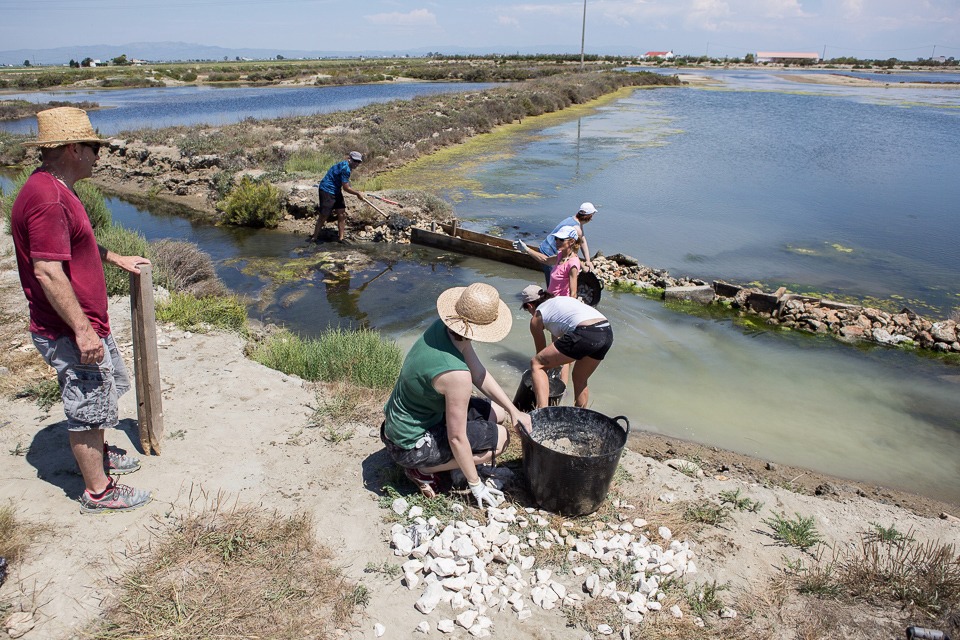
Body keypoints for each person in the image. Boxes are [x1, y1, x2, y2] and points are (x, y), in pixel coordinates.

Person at [11, 106, 153, 514]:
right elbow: (47, 271)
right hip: (70, 329)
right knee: (87, 406)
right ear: (74, 148)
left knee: (102, 393)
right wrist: (82, 330)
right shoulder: (49, 199)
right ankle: (99, 491)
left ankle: (101, 455)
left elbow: (72, 245)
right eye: (94, 148)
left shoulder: (52, 187)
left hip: (83, 323)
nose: (98, 156)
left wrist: (112, 257)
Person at [381, 283, 532, 506]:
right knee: (500, 440)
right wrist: (475, 484)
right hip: (408, 446)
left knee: (498, 412)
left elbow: (479, 373)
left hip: (401, 425)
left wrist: (513, 410)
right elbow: (456, 437)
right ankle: (422, 469)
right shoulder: (456, 375)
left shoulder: (444, 329)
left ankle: (437, 462)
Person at [520, 284, 613, 410]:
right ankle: (580, 418)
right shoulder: (561, 301)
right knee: (580, 378)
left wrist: (542, 380)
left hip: (585, 331)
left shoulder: (537, 317)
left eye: (527, 310)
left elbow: (541, 356)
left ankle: (542, 414)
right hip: (606, 331)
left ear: (530, 305)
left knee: (536, 364)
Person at [524, 202, 598, 286]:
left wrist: (587, 260)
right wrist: (582, 267)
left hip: (545, 246)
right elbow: (571, 254)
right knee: (553, 282)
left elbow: (582, 240)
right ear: (589, 217)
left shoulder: (573, 219)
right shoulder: (576, 228)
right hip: (549, 251)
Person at [311, 151, 364, 244]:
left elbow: (345, 182)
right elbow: (346, 188)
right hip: (326, 190)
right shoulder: (345, 168)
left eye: (358, 162)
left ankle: (341, 238)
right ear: (349, 159)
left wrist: (356, 191)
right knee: (324, 215)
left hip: (336, 190)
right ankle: (314, 238)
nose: (356, 164)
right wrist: (357, 194)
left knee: (342, 213)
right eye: (355, 161)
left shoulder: (347, 167)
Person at [514, 225, 581, 298]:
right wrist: (526, 249)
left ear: (571, 241)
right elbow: (545, 260)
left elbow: (573, 294)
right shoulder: (561, 255)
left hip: (559, 302)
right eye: (556, 238)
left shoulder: (572, 264)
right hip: (551, 299)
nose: (557, 242)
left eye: (561, 240)